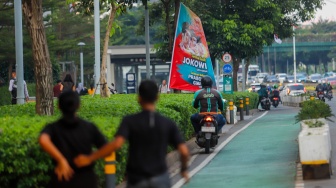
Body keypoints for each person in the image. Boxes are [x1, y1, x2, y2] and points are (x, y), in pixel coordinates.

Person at [74, 80, 190, 188]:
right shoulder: (167, 123)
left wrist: (90, 158)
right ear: (157, 97)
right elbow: (184, 151)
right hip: (160, 177)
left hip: (137, 179)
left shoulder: (129, 121)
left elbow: (117, 144)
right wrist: (183, 169)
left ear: (139, 98)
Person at [39, 91, 107, 188]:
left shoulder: (53, 127)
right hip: (86, 180)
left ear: (58, 106)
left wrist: (61, 160)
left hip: (62, 177)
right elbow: (106, 148)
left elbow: (43, 140)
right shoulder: (89, 127)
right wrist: (90, 158)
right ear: (79, 105)